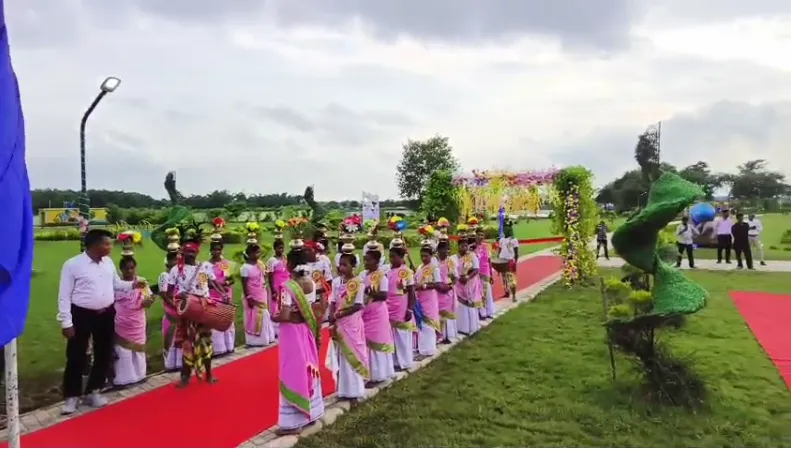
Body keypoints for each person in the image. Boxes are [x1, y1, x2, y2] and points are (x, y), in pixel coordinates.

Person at [57, 229, 146, 414]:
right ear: (95, 245)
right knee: (76, 355)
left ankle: (94, 390)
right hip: (81, 314)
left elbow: (116, 283)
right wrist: (66, 322)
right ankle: (72, 396)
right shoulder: (73, 265)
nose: (110, 246)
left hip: (105, 313)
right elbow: (64, 296)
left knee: (103, 352)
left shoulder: (108, 263)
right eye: (107, 243)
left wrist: (132, 284)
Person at [273, 239, 325, 435]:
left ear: (290, 264)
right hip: (306, 330)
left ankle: (293, 422)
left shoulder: (288, 287)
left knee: (292, 370)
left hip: (292, 333)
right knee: (308, 367)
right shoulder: (311, 283)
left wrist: (274, 317)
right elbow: (314, 307)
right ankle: (312, 412)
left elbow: (285, 315)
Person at [166, 225, 228, 387]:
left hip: (204, 310)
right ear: (182, 253)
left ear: (197, 252)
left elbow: (212, 283)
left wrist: (223, 294)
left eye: (192, 251)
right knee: (187, 344)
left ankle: (209, 374)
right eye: (187, 252)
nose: (190, 254)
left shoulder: (204, 267)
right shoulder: (176, 270)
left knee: (205, 342)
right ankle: (185, 377)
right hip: (187, 312)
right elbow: (169, 293)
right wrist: (178, 300)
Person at [329, 243, 369, 401]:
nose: (342, 268)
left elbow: (358, 305)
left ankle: (355, 390)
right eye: (340, 264)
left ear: (353, 266)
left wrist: (340, 314)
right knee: (341, 356)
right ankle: (343, 390)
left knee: (353, 353)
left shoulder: (358, 282)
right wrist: (331, 315)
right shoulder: (336, 282)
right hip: (339, 324)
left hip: (352, 323)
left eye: (345, 265)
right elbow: (333, 300)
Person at [112, 238, 154, 387]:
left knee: (138, 350)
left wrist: (148, 301)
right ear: (121, 270)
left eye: (132, 268)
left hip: (137, 323)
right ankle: (124, 379)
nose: (129, 271)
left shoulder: (141, 281)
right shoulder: (117, 284)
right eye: (126, 269)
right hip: (121, 324)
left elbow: (148, 297)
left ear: (135, 268)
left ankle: (139, 375)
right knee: (123, 352)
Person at [361, 249, 394, 386]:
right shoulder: (364, 275)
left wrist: (371, 292)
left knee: (377, 342)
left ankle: (379, 376)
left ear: (376, 261)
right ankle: (370, 374)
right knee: (368, 344)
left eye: (368, 260)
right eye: (365, 260)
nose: (365, 262)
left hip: (378, 315)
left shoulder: (382, 277)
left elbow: (384, 295)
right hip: (366, 314)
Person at [385, 241, 416, 371]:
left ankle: (405, 361)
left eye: (394, 257)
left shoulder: (407, 272)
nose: (391, 259)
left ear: (401, 257)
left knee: (402, 335)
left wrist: (410, 309)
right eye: (390, 257)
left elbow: (411, 291)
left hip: (402, 306)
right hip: (389, 306)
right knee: (392, 335)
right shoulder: (387, 271)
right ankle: (395, 361)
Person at [241, 234, 276, 347]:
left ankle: (267, 337)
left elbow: (264, 275)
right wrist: (248, 298)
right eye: (255, 253)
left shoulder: (260, 264)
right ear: (250, 254)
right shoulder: (245, 268)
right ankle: (255, 340)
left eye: (259, 253)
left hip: (261, 292)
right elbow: (244, 285)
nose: (258, 255)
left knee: (264, 313)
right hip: (252, 295)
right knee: (253, 315)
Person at [207, 229, 236, 357]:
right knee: (215, 321)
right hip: (212, 296)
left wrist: (226, 284)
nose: (216, 252)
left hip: (225, 295)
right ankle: (218, 348)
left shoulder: (224, 264)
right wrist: (216, 285)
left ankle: (229, 346)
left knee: (227, 320)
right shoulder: (206, 265)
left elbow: (231, 279)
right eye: (214, 250)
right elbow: (203, 282)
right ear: (210, 250)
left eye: (219, 250)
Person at [452, 228, 481, 336]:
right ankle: (462, 327)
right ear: (458, 246)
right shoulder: (454, 257)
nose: (464, 248)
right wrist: (457, 278)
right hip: (459, 284)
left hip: (470, 284)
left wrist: (468, 277)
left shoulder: (472, 256)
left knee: (470, 305)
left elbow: (476, 269)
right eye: (462, 246)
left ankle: (472, 327)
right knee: (461, 306)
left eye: (465, 246)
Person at [415, 244, 441, 359]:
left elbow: (438, 284)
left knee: (428, 325)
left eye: (426, 256)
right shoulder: (420, 267)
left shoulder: (435, 268)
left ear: (431, 256)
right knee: (421, 324)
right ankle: (422, 348)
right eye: (422, 256)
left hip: (430, 298)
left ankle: (428, 350)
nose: (423, 258)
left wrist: (424, 286)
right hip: (420, 298)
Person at [159, 250, 182, 371]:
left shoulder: (180, 275)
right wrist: (175, 305)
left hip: (181, 311)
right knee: (170, 339)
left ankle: (180, 362)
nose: (176, 262)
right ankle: (170, 364)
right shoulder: (165, 276)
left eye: (178, 260)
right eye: (174, 260)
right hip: (171, 312)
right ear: (168, 262)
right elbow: (163, 295)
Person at [267, 233, 290, 336]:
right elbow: (270, 276)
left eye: (282, 248)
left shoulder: (285, 258)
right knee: (275, 307)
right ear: (274, 248)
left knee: (284, 305)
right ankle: (275, 330)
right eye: (279, 248)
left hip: (286, 287)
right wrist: (273, 290)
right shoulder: (271, 261)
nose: (281, 250)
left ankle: (285, 326)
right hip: (276, 287)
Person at [435, 236, 457, 343]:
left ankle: (447, 336)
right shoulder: (434, 261)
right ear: (438, 250)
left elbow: (455, 277)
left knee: (446, 314)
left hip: (448, 291)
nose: (446, 251)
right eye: (444, 249)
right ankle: (438, 335)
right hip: (436, 291)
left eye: (448, 249)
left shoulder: (450, 261)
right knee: (437, 313)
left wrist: (450, 286)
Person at [474, 227, 496, 319]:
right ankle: (481, 313)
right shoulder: (473, 247)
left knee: (487, 293)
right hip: (476, 274)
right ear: (476, 235)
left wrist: (491, 274)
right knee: (479, 294)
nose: (480, 237)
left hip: (486, 273)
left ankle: (488, 311)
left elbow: (489, 261)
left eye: (482, 235)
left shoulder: (486, 246)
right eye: (479, 235)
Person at [497, 221, 519, 299]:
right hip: (502, 260)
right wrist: (498, 261)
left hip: (510, 261)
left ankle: (514, 295)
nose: (505, 230)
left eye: (507, 229)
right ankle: (506, 292)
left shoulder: (514, 240)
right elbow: (499, 251)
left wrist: (515, 261)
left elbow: (516, 253)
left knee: (511, 278)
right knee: (504, 278)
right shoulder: (501, 240)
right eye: (504, 229)